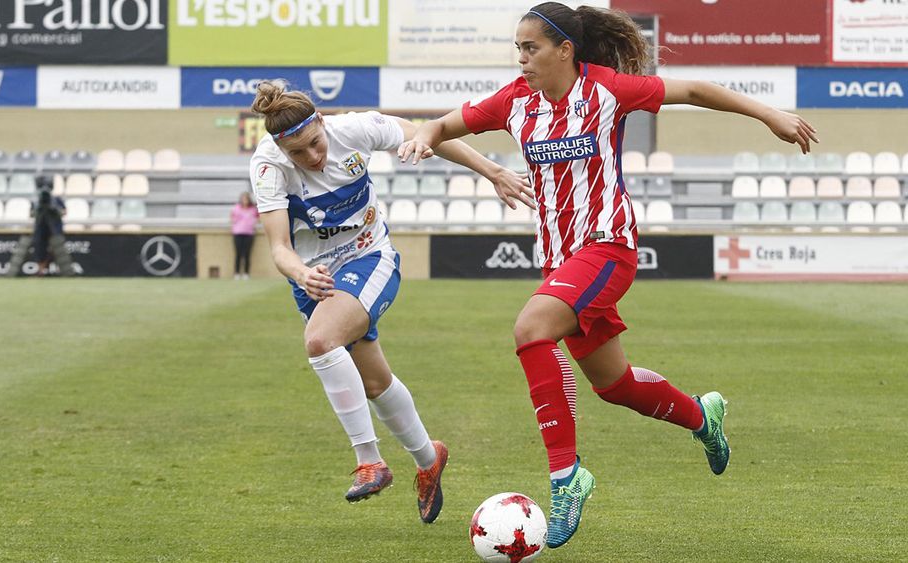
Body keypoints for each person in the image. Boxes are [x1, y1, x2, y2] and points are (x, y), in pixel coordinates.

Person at [399, 1, 819, 548]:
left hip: (607, 246)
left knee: (531, 329)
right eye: (518, 49)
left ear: (565, 50)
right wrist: (423, 137)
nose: (521, 59)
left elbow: (690, 91)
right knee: (614, 386)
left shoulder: (607, 90)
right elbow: (443, 124)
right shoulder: (515, 101)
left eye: (531, 48)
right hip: (560, 257)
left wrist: (769, 114)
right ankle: (702, 416)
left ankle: (566, 475)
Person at [248, 80, 530, 524]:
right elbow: (280, 248)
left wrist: (492, 171)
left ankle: (370, 461)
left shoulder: (356, 129)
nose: (312, 157)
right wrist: (301, 273)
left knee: (320, 342)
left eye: (315, 143)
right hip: (315, 278)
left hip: (369, 256)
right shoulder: (267, 166)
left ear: (323, 123)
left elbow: (426, 135)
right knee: (375, 384)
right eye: (298, 153)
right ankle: (428, 459)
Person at [230, 191, 259, 279]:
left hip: (249, 233)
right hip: (238, 233)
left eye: (246, 199)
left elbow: (259, 217)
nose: (245, 200)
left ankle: (246, 273)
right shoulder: (236, 208)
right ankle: (237, 273)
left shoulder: (253, 209)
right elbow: (232, 218)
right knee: (238, 254)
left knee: (247, 254)